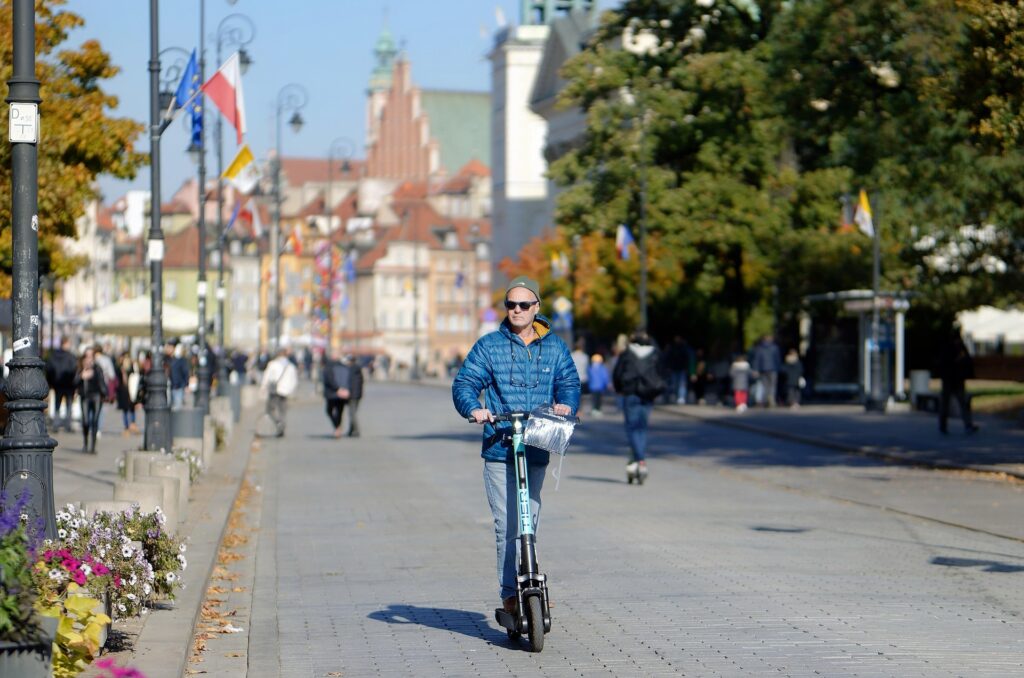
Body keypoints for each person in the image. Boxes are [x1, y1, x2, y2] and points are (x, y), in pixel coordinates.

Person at [452, 275, 580, 616]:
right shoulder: (490, 346)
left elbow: (568, 380)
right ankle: (511, 593)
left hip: (535, 444)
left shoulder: (553, 346)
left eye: (525, 304)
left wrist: (566, 403)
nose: (518, 310)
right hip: (499, 445)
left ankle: (530, 583)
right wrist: (474, 408)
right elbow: (465, 382)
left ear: (536, 307)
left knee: (529, 520)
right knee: (507, 525)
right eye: (511, 305)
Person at [612, 330, 664, 481]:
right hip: (648, 394)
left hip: (631, 393)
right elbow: (661, 373)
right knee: (641, 428)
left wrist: (619, 389)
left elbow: (618, 373)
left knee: (632, 428)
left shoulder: (627, 353)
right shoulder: (654, 353)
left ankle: (639, 460)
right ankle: (637, 460)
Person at [937, 328, 979, 435]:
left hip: (955, 379)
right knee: (950, 403)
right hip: (952, 379)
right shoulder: (952, 348)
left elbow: (967, 361)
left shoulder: (957, 348)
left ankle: (965, 424)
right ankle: (944, 425)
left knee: (960, 403)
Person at [74, 346, 107, 453]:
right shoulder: (80, 368)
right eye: (86, 356)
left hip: (96, 396)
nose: (88, 359)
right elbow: (74, 382)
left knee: (95, 421)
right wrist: (82, 375)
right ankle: (85, 443)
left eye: (90, 356)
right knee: (86, 421)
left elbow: (102, 382)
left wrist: (104, 394)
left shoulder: (97, 368)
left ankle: (93, 447)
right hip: (85, 396)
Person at [260, 347, 299, 437]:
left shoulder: (272, 364)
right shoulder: (290, 366)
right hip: (285, 391)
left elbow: (267, 376)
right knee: (283, 410)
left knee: (270, 410)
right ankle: (282, 423)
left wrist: (263, 387)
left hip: (275, 390)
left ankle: (278, 423)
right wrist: (291, 391)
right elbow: (294, 380)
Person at [46, 337, 78, 432]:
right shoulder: (70, 356)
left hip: (58, 385)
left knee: (57, 404)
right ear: (65, 344)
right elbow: (74, 370)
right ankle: (67, 425)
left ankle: (56, 424)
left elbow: (49, 370)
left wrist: (51, 382)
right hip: (69, 385)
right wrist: (75, 384)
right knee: (68, 405)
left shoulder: (54, 355)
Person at [321, 353, 351, 438]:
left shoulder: (328, 367)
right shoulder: (345, 367)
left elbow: (328, 379)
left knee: (329, 410)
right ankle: (338, 428)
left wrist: (337, 389)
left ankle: (337, 427)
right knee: (340, 412)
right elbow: (348, 379)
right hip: (343, 392)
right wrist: (345, 389)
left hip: (332, 393)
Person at [750, 335, 781, 407]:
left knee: (765, 386)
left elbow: (757, 360)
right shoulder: (775, 348)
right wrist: (778, 368)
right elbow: (777, 359)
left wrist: (756, 369)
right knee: (773, 385)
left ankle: (766, 399)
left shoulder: (760, 348)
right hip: (773, 368)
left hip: (763, 369)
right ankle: (771, 399)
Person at [663, 336, 693, 404]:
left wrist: (686, 368)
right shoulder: (672, 348)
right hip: (674, 368)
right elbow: (669, 359)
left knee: (682, 384)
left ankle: (681, 397)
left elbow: (687, 359)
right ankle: (677, 396)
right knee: (675, 384)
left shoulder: (684, 348)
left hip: (681, 369)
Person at [115, 351, 139, 435]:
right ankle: (126, 427)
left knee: (131, 407)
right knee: (125, 409)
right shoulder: (119, 367)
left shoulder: (131, 367)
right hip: (123, 391)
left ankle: (132, 424)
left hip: (131, 390)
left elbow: (135, 376)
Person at [344, 354, 364, 437]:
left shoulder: (350, 370)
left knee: (352, 413)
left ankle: (356, 430)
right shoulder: (358, 369)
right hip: (358, 395)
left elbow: (349, 383)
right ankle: (351, 430)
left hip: (352, 395)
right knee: (353, 412)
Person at [169, 343, 190, 410]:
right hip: (173, 385)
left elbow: (185, 373)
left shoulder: (181, 361)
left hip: (178, 386)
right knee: (174, 406)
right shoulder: (173, 360)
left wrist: (186, 384)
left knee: (177, 407)